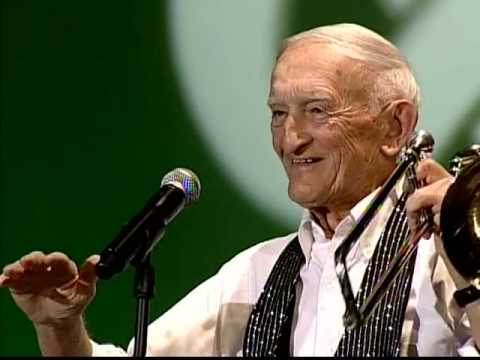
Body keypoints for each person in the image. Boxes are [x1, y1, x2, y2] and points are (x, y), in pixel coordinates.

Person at [1, 23, 480, 357]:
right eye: (278, 113)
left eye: (317, 110)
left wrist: (471, 259)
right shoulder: (255, 276)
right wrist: (58, 324)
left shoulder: (443, 262)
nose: (291, 139)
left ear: (396, 126)